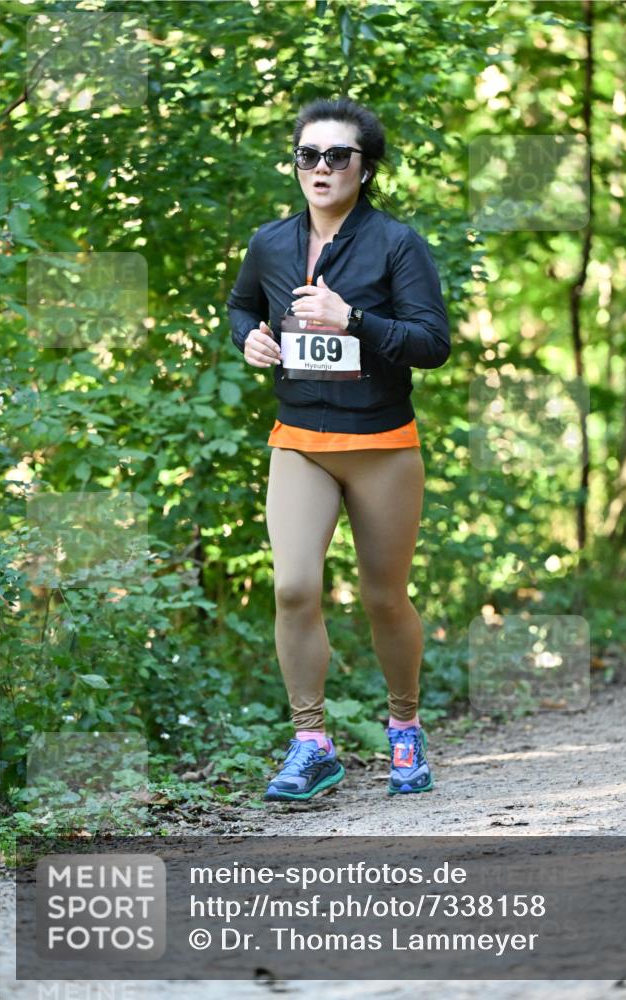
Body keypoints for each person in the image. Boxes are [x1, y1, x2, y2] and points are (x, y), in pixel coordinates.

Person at [227, 96, 450, 802]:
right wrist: (248, 337)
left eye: (337, 156)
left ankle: (405, 727)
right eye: (307, 155)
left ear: (365, 167)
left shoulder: (396, 244)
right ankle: (311, 742)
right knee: (293, 586)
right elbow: (240, 305)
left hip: (382, 446)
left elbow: (431, 344)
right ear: (295, 165)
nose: (320, 168)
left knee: (384, 597)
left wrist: (351, 317)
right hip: (300, 442)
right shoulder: (270, 243)